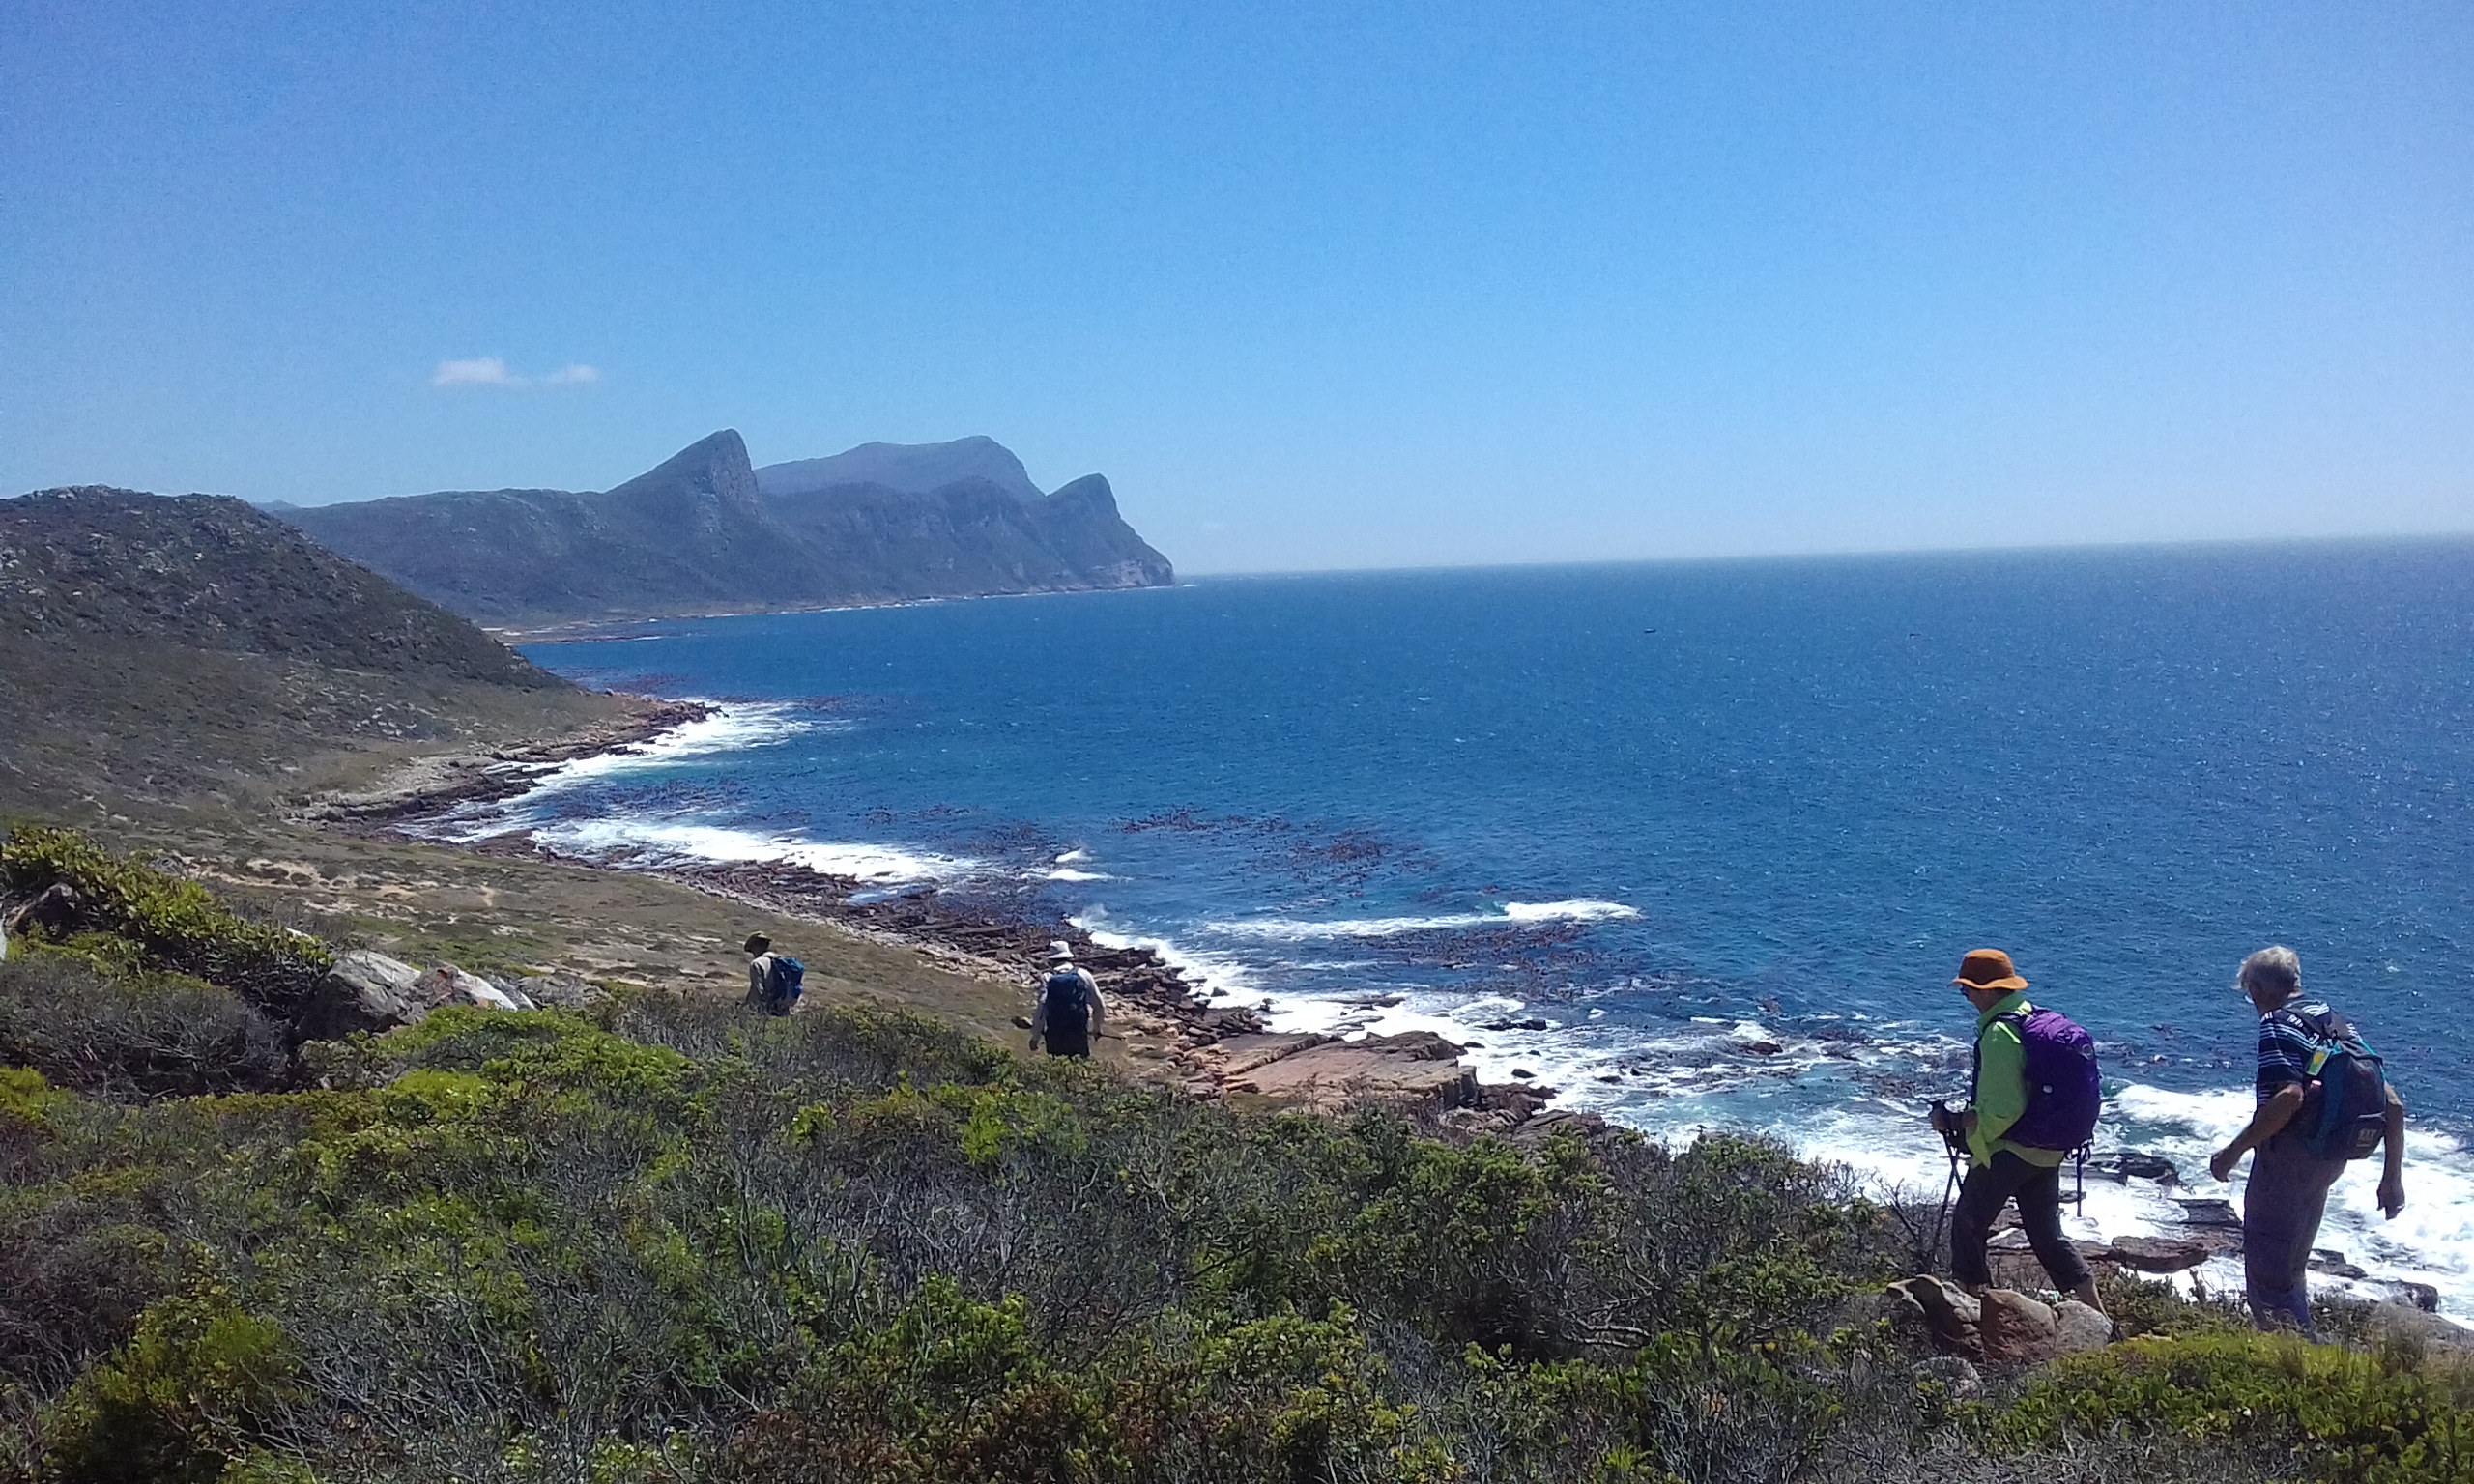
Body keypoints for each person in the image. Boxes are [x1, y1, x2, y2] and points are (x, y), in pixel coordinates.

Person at [2209, 945, 2407, 1337]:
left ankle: (2289, 1365)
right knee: (2292, 1265)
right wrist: (2391, 1178)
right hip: (2330, 1158)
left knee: (2268, 1274)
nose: (2252, 1002)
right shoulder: (2334, 1021)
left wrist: (2233, 1152)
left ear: (2262, 988)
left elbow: (2289, 1097)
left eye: (2250, 992)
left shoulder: (2277, 1023)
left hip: (2289, 1158)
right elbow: (2393, 1104)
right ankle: (2306, 1356)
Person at [1928, 948, 2107, 1314]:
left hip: (2013, 1150)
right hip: (2049, 1149)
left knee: (1968, 1224)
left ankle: (1975, 1312)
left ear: (1989, 990)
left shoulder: (1999, 1035)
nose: (1966, 997)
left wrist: (1961, 1128)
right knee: (2047, 1236)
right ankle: (2099, 1316)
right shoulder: (2031, 1018)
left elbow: (2003, 1110)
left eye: (1967, 990)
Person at [1028, 943, 1105, 1058]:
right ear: (1069, 957)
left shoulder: (1048, 977)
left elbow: (1041, 1010)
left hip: (1055, 1032)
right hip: (1078, 1032)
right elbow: (1099, 1006)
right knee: (1080, 1064)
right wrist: (1097, 1028)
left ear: (1051, 959)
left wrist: (1035, 1037)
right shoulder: (1083, 974)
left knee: (1058, 1066)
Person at [742, 932, 802, 1016]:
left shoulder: (757, 964)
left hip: (767, 1011)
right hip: (784, 1010)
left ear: (754, 947)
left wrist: (747, 1008)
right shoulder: (781, 962)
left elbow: (757, 990)